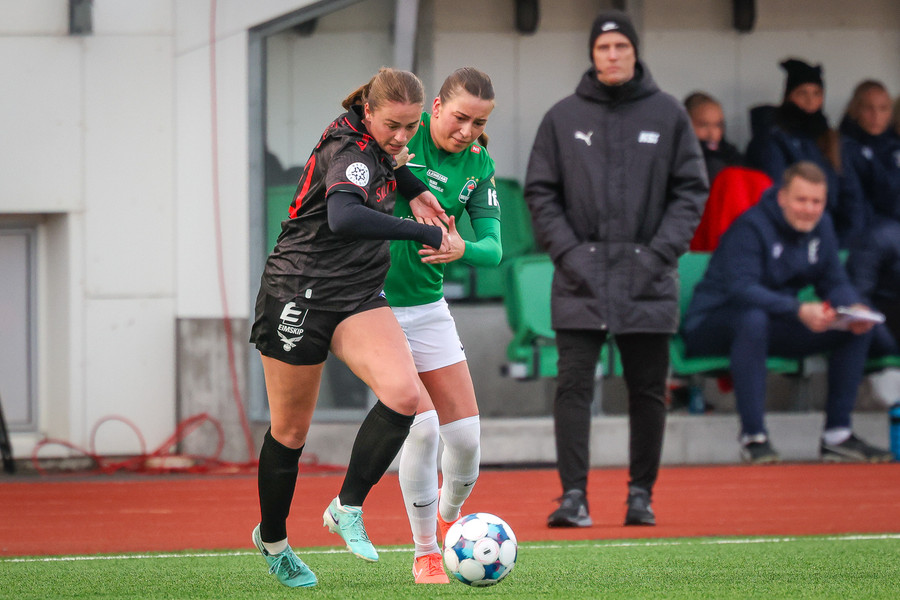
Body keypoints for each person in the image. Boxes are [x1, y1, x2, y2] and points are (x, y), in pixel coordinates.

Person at [248, 67, 451, 589]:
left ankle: (347, 507)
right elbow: (344, 216)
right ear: (368, 112)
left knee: (404, 397)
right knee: (290, 433)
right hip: (298, 292)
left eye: (411, 126)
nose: (402, 136)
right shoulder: (349, 150)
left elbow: (390, 161)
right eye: (393, 126)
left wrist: (414, 188)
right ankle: (273, 541)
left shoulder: (374, 139)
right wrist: (421, 231)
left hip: (357, 292)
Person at [525, 10, 708, 528]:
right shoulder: (562, 117)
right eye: (603, 47)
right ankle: (573, 498)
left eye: (621, 47)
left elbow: (691, 191)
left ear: (634, 51)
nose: (612, 55)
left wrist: (658, 255)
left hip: (648, 277)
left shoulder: (668, 114)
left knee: (648, 390)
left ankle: (641, 495)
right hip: (579, 279)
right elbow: (540, 191)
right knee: (572, 388)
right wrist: (570, 254)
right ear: (592, 54)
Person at [682, 161, 893, 464]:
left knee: (855, 327)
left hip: (774, 323)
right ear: (782, 197)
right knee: (752, 319)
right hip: (712, 324)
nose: (809, 209)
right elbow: (742, 289)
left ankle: (837, 435)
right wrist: (798, 309)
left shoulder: (822, 226)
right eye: (801, 200)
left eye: (816, 201)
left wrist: (852, 307)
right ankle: (754, 437)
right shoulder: (751, 226)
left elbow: (834, 280)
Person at [384, 67, 501, 584]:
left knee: (467, 440)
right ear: (435, 107)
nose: (467, 131)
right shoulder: (400, 142)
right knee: (424, 426)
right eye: (459, 118)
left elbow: (493, 250)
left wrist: (461, 248)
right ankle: (425, 551)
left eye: (479, 123)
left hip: (429, 309)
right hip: (374, 308)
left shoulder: (479, 165)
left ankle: (451, 522)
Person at [745, 58, 864, 247]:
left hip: (833, 236)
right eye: (802, 93)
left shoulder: (831, 138)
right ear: (788, 96)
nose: (810, 100)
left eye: (817, 93)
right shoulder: (773, 138)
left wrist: (844, 241)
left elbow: (851, 197)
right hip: (790, 237)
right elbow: (777, 192)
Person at [839, 80, 900, 223]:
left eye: (883, 109)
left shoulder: (894, 147)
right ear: (855, 110)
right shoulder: (843, 147)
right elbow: (853, 201)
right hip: (871, 225)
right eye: (868, 108)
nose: (876, 115)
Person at [684, 91, 744, 183]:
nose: (712, 133)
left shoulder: (732, 155)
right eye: (703, 125)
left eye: (718, 125)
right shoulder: (676, 158)